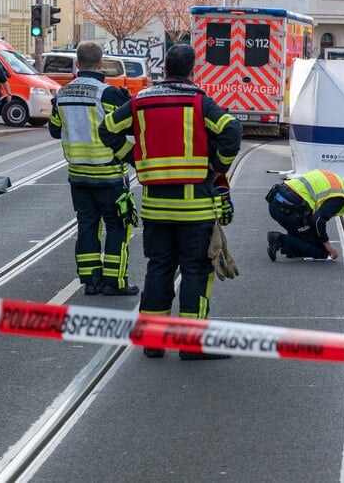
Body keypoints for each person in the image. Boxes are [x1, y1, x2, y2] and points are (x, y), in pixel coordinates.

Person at [100, 44, 242, 360]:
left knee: (159, 268)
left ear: (164, 68)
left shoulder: (140, 101)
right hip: (194, 209)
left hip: (155, 208)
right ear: (192, 70)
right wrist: (218, 166)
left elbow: (107, 128)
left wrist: (134, 159)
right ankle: (191, 346)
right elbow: (231, 129)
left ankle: (153, 341)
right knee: (195, 271)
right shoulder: (200, 102)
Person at [49, 41, 138, 297]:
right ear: (101, 64)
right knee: (119, 226)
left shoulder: (62, 94)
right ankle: (115, 281)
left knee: (87, 225)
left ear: (77, 64)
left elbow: (55, 130)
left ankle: (90, 280)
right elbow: (128, 126)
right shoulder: (108, 94)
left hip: (78, 175)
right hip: (109, 174)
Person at [266, 170, 344, 261]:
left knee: (308, 233)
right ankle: (280, 240)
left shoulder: (335, 179)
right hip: (288, 211)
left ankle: (293, 248)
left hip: (276, 201)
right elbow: (318, 220)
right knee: (321, 251)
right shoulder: (340, 197)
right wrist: (327, 245)